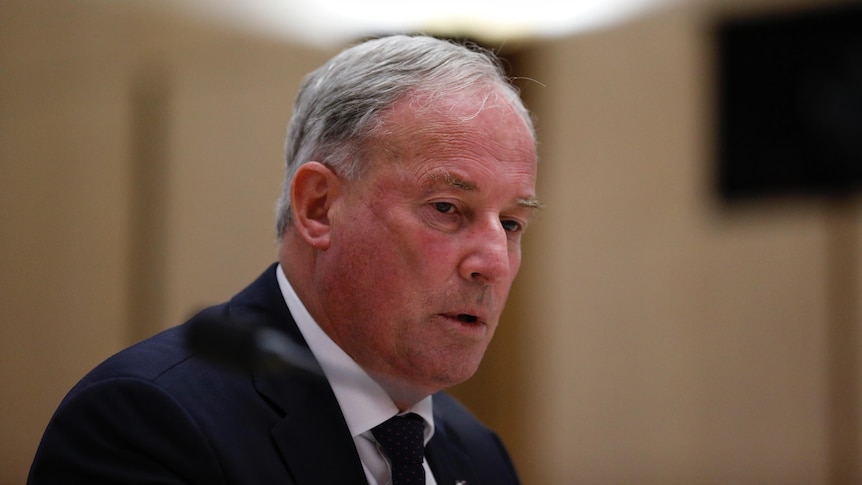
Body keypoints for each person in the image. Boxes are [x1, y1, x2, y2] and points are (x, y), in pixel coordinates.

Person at [28, 34, 540, 484]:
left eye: (512, 223)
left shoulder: (480, 454)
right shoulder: (147, 422)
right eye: (446, 209)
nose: (493, 264)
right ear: (319, 207)